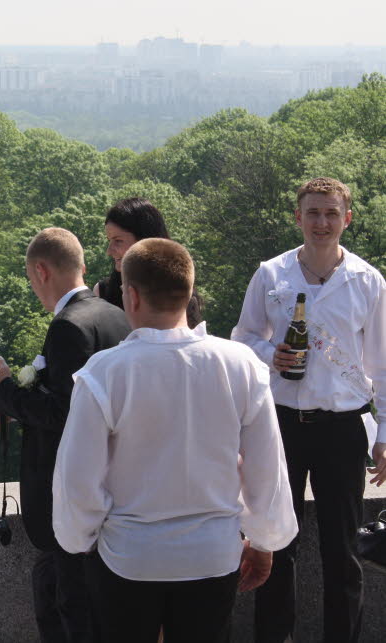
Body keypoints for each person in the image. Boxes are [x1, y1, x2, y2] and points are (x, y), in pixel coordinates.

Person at [53, 238, 298, 643]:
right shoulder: (240, 365)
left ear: (131, 295)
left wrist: (81, 537)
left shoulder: (104, 373)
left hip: (129, 557)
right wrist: (264, 537)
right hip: (213, 554)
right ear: (188, 291)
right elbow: (266, 468)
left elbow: (78, 479)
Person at [232, 177, 386, 643]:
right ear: (298, 217)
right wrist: (269, 354)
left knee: (344, 552)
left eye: (331, 213)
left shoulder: (367, 281)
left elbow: (384, 365)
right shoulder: (271, 275)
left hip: (342, 428)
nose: (322, 222)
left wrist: (384, 436)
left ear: (347, 218)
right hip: (280, 426)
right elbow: (241, 341)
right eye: (313, 213)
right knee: (275, 543)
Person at [0, 228, 130, 643]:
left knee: (74, 609)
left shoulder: (68, 327)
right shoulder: (115, 315)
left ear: (40, 271)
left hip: (74, 494)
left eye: (30, 279)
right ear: (82, 266)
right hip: (120, 487)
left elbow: (64, 412)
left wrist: (5, 388)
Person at [94, 197, 203, 328]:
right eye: (109, 241)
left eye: (118, 241)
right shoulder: (103, 292)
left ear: (144, 240)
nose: (109, 251)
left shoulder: (179, 290)